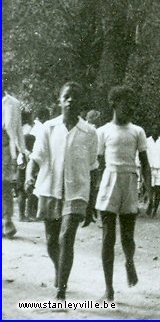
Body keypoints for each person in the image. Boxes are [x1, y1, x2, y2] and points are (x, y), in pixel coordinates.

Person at [25, 82, 98, 300]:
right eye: (66, 96)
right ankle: (59, 270)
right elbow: (35, 159)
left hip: (77, 192)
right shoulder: (48, 128)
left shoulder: (89, 132)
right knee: (51, 240)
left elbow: (94, 168)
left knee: (66, 237)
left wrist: (92, 200)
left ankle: (61, 289)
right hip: (49, 189)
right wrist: (29, 176)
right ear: (60, 100)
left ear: (80, 102)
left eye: (75, 97)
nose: (70, 100)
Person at [94, 86, 150, 301]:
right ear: (114, 103)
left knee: (128, 237)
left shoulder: (137, 131)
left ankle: (129, 261)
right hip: (109, 183)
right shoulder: (103, 131)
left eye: (132, 103)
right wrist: (94, 193)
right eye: (126, 102)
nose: (130, 107)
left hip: (129, 182)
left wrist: (149, 187)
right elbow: (97, 165)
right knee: (108, 238)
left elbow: (144, 163)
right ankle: (109, 288)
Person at [3, 90, 29, 238]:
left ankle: (7, 221)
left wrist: (22, 150)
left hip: (6, 148)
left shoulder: (13, 103)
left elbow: (17, 129)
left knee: (5, 184)